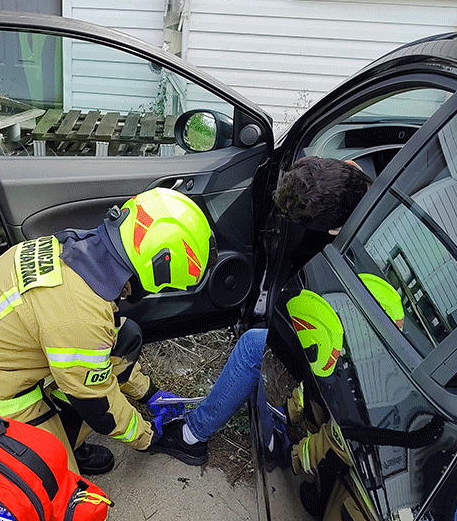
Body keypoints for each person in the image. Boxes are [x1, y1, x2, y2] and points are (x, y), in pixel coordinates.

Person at [0, 187, 216, 476]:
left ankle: (62, 433)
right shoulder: (80, 312)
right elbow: (97, 402)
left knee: (123, 336)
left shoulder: (74, 249)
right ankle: (50, 448)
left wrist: (149, 394)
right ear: (157, 265)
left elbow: (102, 347)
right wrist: (149, 437)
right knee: (58, 485)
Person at [149, 156, 373, 465]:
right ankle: (269, 435)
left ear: (335, 230)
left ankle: (192, 436)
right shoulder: (370, 191)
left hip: (355, 340)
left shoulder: (355, 238)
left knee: (252, 346)